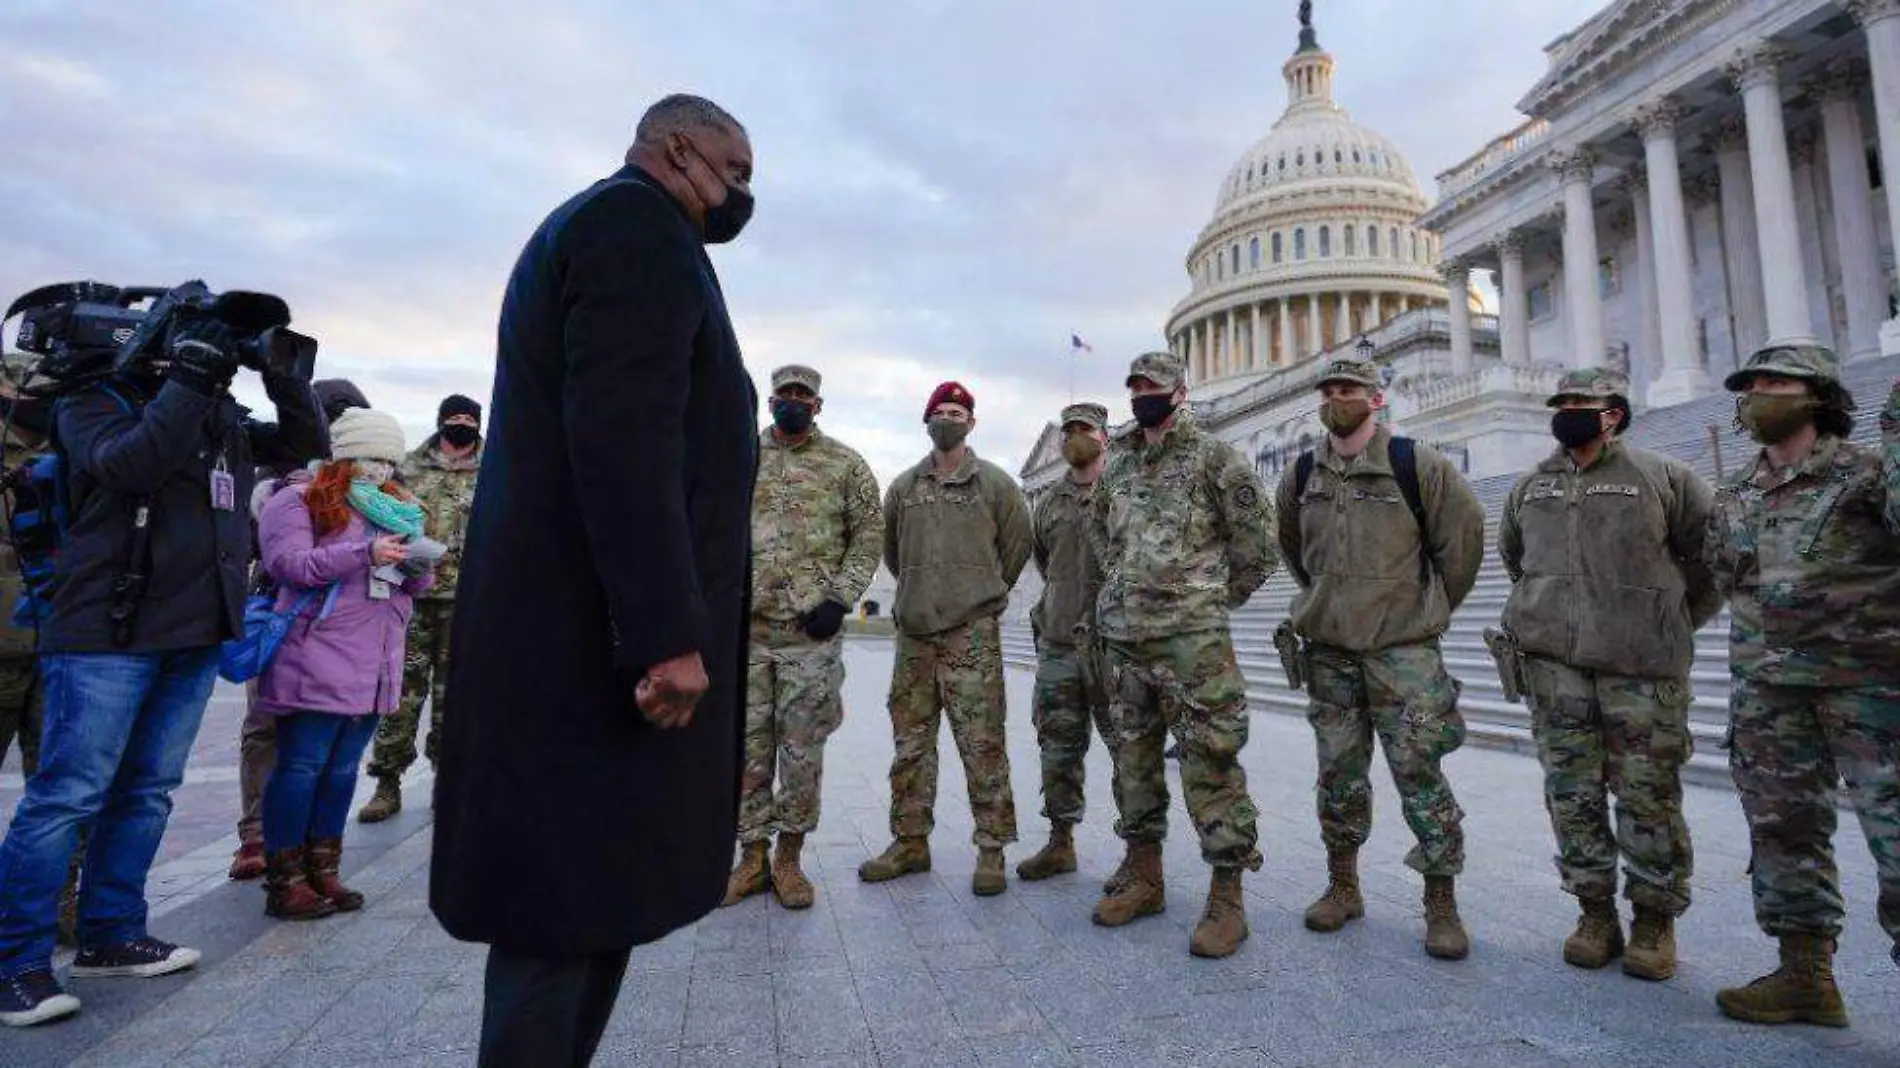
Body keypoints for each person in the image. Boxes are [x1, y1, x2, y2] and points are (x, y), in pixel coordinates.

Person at [430, 93, 757, 1068]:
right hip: (587, 654)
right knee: (559, 919)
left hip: (578, 641)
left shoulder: (624, 230)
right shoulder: (632, 227)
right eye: (735, 174)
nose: (742, 196)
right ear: (680, 148)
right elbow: (624, 440)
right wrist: (664, 632)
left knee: (589, 904)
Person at [0, 320, 326, 1028]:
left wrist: (286, 378)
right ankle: (15, 963)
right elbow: (130, 464)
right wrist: (187, 379)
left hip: (191, 629)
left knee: (147, 792)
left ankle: (112, 934)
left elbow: (305, 449)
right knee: (67, 796)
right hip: (102, 633)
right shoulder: (93, 400)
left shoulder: (217, 419)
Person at [1497, 367, 1721, 980]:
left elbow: (1711, 559)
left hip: (1640, 668)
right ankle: (1594, 911)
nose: (1568, 410)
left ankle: (1653, 919)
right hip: (1557, 669)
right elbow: (1517, 560)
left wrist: (1667, 620)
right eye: (1562, 402)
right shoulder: (1530, 488)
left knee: (1648, 796)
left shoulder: (1661, 477)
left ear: (1613, 414)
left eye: (1582, 403)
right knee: (1572, 795)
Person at [1705, 342, 1900, 1029]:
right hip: (1769, 694)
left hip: (1868, 691)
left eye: (1775, 382)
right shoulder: (1734, 492)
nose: (1757, 392)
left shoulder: (1869, 476)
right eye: (1750, 382)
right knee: (1783, 835)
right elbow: (1725, 579)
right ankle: (1804, 975)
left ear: (1818, 394)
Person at [1275, 356, 1484, 961]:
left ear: (1377, 399)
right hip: (1331, 655)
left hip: (1403, 655)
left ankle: (1440, 901)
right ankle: (1343, 885)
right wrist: (1327, 602)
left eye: (1351, 389)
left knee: (1421, 776)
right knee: (1338, 775)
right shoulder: (1301, 474)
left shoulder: (1415, 465)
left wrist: (1424, 609)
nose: (1338, 398)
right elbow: (1294, 549)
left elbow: (1461, 545)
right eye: (1330, 390)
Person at [1088, 354, 1276, 958]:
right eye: (1135, 385)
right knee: (1132, 764)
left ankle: (1228, 898)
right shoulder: (1116, 461)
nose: (1143, 394)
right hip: (1124, 642)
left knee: (1211, 765)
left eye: (1155, 386)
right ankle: (1144, 875)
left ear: (1180, 392)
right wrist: (1122, 586)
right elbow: (1101, 534)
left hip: (1193, 646)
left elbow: (1259, 543)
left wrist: (1208, 599)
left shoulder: (1214, 457)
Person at [255, 408, 433, 919]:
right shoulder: (297, 500)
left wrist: (418, 565)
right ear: (344, 456)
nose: (379, 471)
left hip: (377, 659)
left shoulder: (395, 508)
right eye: (369, 458)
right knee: (302, 766)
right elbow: (288, 565)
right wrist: (365, 552)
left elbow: (412, 585)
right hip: (317, 653)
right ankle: (285, 877)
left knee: (340, 770)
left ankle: (324, 868)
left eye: (387, 461)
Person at [858, 381, 1032, 896]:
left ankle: (992, 849)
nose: (949, 418)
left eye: (958, 411)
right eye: (941, 411)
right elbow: (892, 551)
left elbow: (1017, 547)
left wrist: (981, 592)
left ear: (972, 423)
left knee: (983, 745)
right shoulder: (905, 488)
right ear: (927, 421)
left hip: (970, 636)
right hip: (914, 638)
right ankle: (910, 842)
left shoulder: (997, 486)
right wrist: (920, 592)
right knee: (910, 746)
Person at [723, 364, 880, 910]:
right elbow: (713, 524)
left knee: (801, 750)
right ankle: (750, 858)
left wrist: (840, 597)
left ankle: (789, 859)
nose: (793, 401)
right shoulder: (740, 456)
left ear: (818, 405)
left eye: (803, 396)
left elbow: (869, 534)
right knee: (747, 749)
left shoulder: (845, 465)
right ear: (770, 401)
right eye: (785, 394)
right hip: (748, 632)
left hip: (809, 637)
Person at [230, 377, 372, 882]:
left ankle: (309, 849)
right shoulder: (280, 478)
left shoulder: (367, 486)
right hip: (280, 613)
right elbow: (273, 553)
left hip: (343, 626)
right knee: (269, 725)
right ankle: (259, 837)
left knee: (322, 742)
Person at [358, 392, 484, 823]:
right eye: (456, 417)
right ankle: (386, 782)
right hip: (410, 598)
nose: (463, 423)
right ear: (442, 421)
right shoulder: (407, 467)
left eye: (471, 418)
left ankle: (447, 786)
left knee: (459, 700)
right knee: (399, 695)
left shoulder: (494, 469)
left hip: (468, 604)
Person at [1017, 402, 1121, 885]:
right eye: (1069, 431)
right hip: (1060, 644)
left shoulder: (1125, 494)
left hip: (1115, 648)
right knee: (1057, 748)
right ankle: (1061, 841)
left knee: (1130, 753)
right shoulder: (1051, 503)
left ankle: (1140, 854)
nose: (1075, 437)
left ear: (1105, 437)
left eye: (1086, 430)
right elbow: (1044, 561)